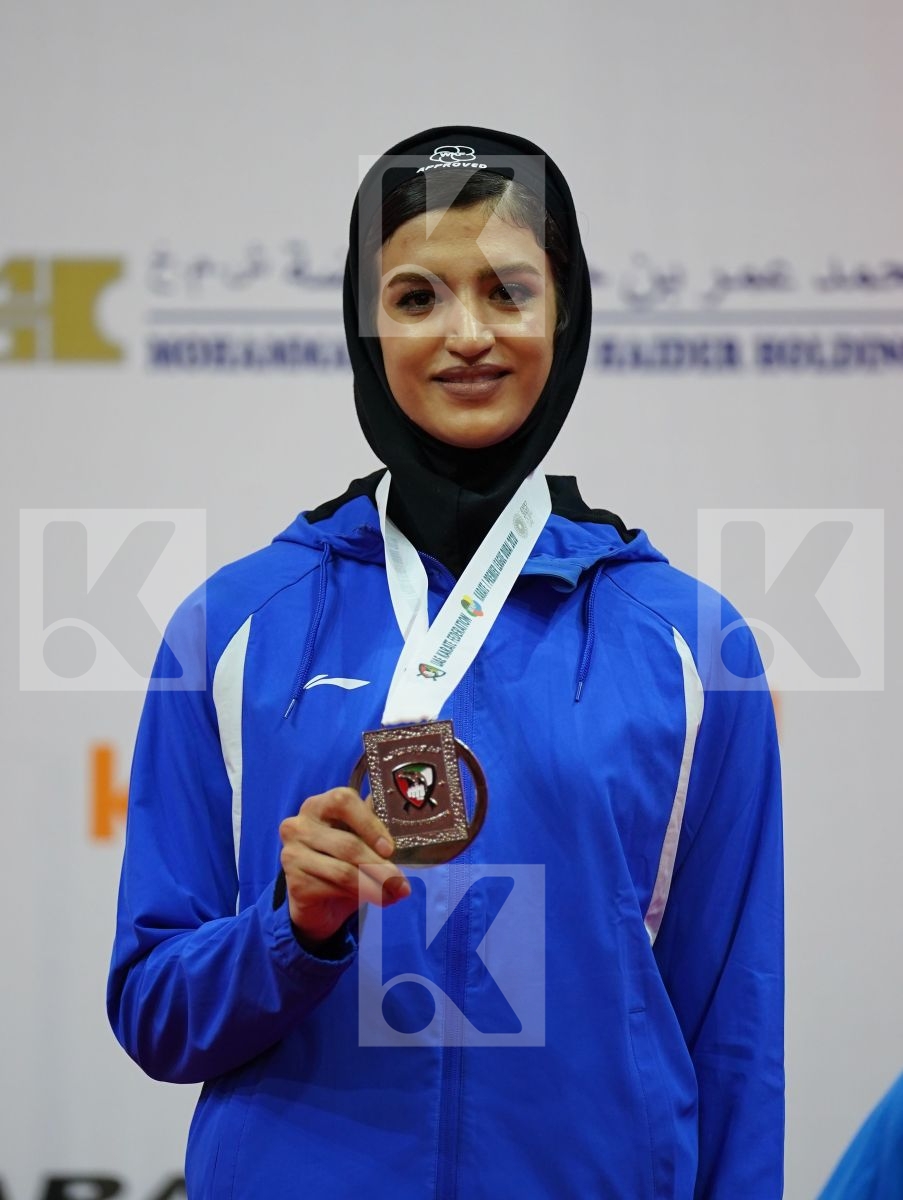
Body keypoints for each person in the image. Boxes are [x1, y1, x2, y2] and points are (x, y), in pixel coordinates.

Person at [107, 126, 784, 1199]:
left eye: (508, 291)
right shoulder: (233, 625)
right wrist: (291, 934)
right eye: (418, 296)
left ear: (565, 314)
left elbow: (732, 1036)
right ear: (365, 324)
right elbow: (154, 1009)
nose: (467, 334)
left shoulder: (696, 649)